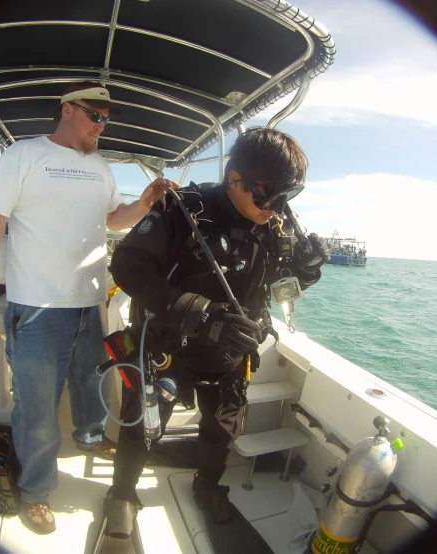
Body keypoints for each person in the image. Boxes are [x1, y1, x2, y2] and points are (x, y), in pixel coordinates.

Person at [0, 81, 178, 535]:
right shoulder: (22, 156)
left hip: (89, 305)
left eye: (106, 119)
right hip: (37, 309)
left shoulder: (101, 167)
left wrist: (144, 204)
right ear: (67, 110)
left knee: (90, 384)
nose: (100, 127)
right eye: (94, 116)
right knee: (38, 408)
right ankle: (37, 491)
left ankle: (89, 436)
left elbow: (112, 220)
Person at [102, 128, 326, 551]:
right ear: (234, 178)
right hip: (169, 347)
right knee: (142, 428)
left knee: (223, 426)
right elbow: (128, 267)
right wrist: (198, 312)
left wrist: (307, 271)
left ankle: (208, 486)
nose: (275, 207)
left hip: (230, 350)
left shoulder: (275, 227)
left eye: (286, 197)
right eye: (266, 195)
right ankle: (123, 494)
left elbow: (280, 285)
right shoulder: (182, 208)